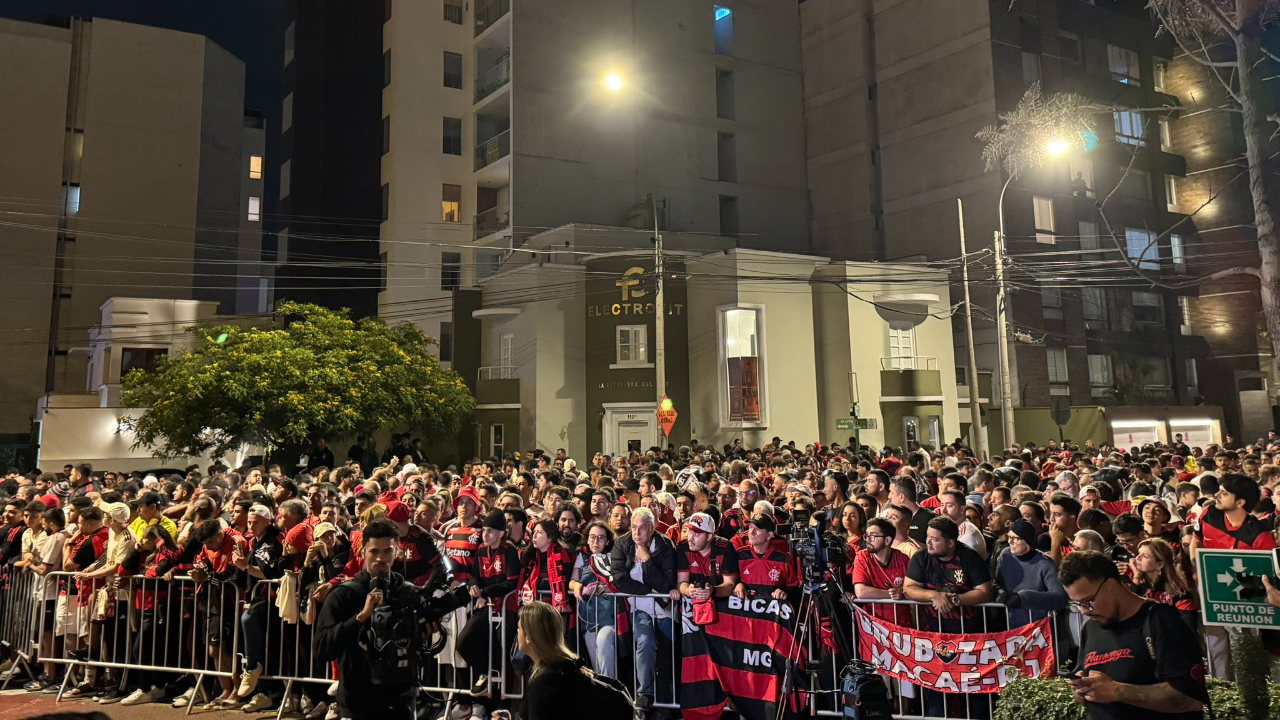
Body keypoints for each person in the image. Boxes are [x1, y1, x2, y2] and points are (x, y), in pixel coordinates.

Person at [1060, 551, 1208, 720]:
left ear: (1111, 585)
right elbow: (1091, 688)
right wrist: (1082, 689)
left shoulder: (1161, 620)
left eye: (1088, 601)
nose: (1084, 611)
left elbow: (1189, 699)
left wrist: (1117, 691)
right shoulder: (1091, 628)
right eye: (1078, 604)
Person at [313, 518, 417, 720]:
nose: (381, 558)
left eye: (387, 551)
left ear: (397, 551)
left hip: (401, 701)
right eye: (374, 551)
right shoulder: (344, 595)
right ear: (362, 551)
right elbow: (321, 649)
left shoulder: (408, 593)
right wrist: (360, 617)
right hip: (357, 700)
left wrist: (426, 629)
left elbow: (421, 649)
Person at [609, 506, 677, 710]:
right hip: (640, 607)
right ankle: (645, 693)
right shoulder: (622, 543)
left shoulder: (665, 545)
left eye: (642, 528)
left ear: (653, 528)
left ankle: (668, 705)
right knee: (645, 642)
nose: (636, 533)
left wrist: (647, 559)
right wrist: (650, 590)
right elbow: (621, 581)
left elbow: (666, 584)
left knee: (668, 656)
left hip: (665, 609)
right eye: (633, 527)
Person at [518, 601, 632, 720]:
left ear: (528, 637)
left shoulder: (544, 685)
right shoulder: (567, 669)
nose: (517, 633)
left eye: (518, 628)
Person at [995, 519, 1068, 628]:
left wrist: (1024, 597)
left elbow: (1060, 597)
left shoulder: (1045, 563)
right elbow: (997, 584)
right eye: (1009, 537)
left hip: (1040, 629)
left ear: (1028, 542)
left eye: (1016, 538)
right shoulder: (1005, 555)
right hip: (1013, 629)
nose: (1010, 542)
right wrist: (1001, 595)